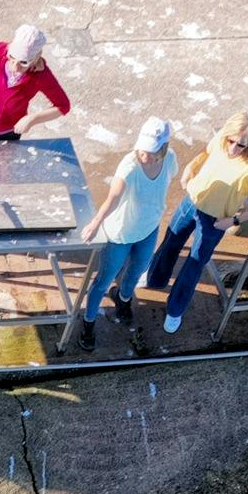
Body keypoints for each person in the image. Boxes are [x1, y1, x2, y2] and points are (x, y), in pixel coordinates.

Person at [144, 111, 248, 335]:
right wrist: (190, 169)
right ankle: (154, 279)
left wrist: (233, 220)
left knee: (194, 263)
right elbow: (205, 154)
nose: (234, 148)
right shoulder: (220, 140)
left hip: (214, 221)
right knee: (170, 242)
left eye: (241, 145)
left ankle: (175, 309)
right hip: (191, 202)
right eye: (231, 141)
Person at [73, 117, 178, 351]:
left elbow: (166, 183)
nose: (145, 156)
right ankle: (88, 323)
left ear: (163, 148)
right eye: (143, 150)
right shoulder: (129, 166)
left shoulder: (170, 160)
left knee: (137, 270)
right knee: (103, 280)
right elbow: (113, 198)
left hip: (148, 229)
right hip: (120, 234)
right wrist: (96, 222)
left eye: (151, 151)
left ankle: (123, 298)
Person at [0, 24, 71, 143]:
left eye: (23, 62)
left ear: (35, 59)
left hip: (7, 135)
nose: (15, 66)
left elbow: (63, 106)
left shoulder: (41, 76)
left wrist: (31, 119)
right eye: (11, 57)